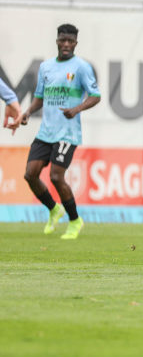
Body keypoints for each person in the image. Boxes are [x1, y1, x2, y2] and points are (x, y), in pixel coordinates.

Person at [17, 24, 101, 239]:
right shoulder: (46, 67)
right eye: (62, 40)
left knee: (56, 176)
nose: (66, 44)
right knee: (30, 174)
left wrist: (76, 109)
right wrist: (27, 112)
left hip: (67, 133)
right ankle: (54, 210)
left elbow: (95, 96)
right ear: (57, 41)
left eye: (70, 41)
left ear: (75, 43)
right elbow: (39, 97)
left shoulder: (81, 67)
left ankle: (75, 221)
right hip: (46, 132)